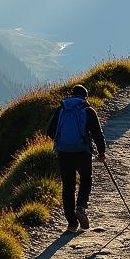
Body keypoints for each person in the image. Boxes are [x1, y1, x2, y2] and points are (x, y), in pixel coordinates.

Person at [46, 84, 107, 232]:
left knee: (68, 186)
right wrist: (101, 152)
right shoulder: (88, 110)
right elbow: (97, 133)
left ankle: (72, 224)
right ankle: (81, 206)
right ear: (85, 97)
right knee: (86, 178)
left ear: (71, 95)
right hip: (82, 152)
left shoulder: (61, 109)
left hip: (64, 153)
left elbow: (50, 131)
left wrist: (62, 141)